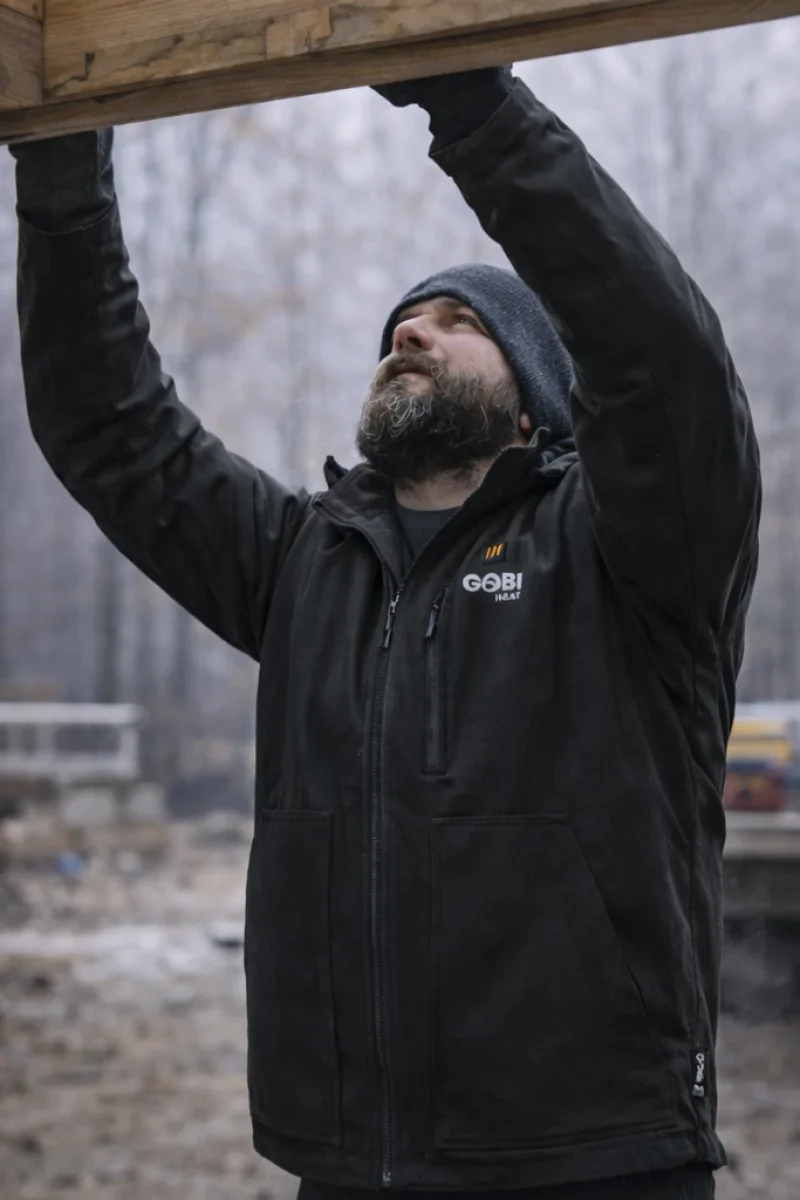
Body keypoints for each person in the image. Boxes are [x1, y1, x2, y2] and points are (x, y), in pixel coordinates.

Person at [9, 62, 760, 1200]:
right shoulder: (306, 564)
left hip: (596, 1160)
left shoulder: (630, 551)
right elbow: (114, 429)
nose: (410, 329)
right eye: (399, 323)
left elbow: (661, 360)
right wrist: (64, 180)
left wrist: (466, 101)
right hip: (351, 1168)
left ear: (533, 403)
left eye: (459, 323)